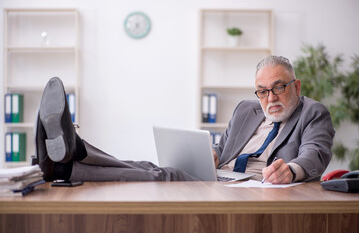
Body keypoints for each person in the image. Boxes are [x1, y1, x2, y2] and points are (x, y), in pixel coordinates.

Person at [33, 55, 335, 184]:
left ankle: (67, 162)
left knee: (164, 176)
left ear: (296, 86)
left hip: (255, 187)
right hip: (226, 179)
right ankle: (71, 156)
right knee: (150, 167)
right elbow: (224, 147)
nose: (270, 97)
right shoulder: (247, 109)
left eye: (278, 87)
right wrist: (212, 154)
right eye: (262, 91)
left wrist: (292, 170)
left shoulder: (312, 113)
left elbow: (315, 154)